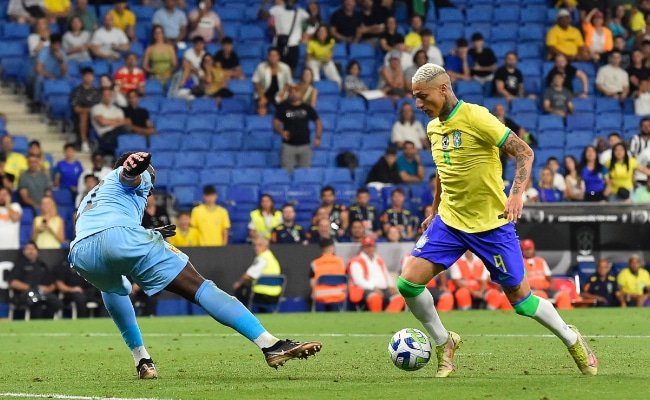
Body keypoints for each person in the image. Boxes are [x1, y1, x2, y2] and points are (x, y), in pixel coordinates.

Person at [400, 63, 596, 378]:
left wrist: (516, 195)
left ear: (444, 89)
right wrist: (434, 210)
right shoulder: (434, 127)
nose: (418, 104)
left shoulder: (477, 117)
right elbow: (442, 170)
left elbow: (524, 152)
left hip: (491, 225)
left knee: (522, 302)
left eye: (423, 96)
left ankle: (572, 338)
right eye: (415, 97)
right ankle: (443, 342)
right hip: (450, 222)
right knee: (408, 283)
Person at [69, 151, 320, 375]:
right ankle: (270, 344)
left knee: (114, 289)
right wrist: (134, 170)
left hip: (81, 253)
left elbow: (100, 229)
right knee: (201, 287)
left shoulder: (92, 195)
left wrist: (143, 232)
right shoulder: (135, 175)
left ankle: (142, 359)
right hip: (119, 237)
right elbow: (129, 178)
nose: (151, 185)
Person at [347, 236, 404, 312]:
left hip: (384, 289)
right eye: (367, 246)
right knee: (375, 298)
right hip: (367, 289)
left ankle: (388, 317)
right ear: (363, 248)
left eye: (371, 246)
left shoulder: (378, 260)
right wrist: (373, 287)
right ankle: (377, 317)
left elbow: (386, 274)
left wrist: (391, 286)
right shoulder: (356, 261)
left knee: (399, 298)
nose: (370, 248)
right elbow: (358, 281)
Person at [273, 85, 322, 173]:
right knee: (286, 173)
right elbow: (276, 123)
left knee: (304, 174)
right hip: (288, 146)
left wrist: (318, 137)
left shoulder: (307, 108)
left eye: (296, 91)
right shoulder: (283, 107)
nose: (294, 93)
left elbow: (318, 122)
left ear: (301, 94)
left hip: (305, 146)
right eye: (291, 92)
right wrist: (281, 132)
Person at [10, 241, 63, 319]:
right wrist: (31, 288)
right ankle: (35, 324)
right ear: (24, 251)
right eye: (28, 249)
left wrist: (48, 289)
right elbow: (13, 283)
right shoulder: (19, 265)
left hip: (42, 293)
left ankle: (48, 323)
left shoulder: (42, 265)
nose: (31, 251)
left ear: (37, 251)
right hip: (25, 294)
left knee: (55, 302)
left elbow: (53, 282)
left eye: (33, 249)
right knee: (36, 301)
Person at [233, 236, 283, 312]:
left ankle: (241, 314)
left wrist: (238, 284)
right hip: (276, 296)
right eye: (255, 245)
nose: (256, 248)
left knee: (240, 288)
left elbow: (248, 275)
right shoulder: (272, 258)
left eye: (260, 245)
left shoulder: (262, 259)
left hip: (261, 296)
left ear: (266, 246)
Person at [521, 239, 572, 309]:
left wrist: (551, 286)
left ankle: (564, 315)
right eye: (526, 249)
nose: (528, 251)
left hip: (546, 289)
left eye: (530, 249)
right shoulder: (520, 263)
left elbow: (549, 277)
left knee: (564, 295)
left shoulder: (541, 261)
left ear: (533, 249)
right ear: (522, 250)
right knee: (541, 295)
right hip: (532, 291)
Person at [269, 0, 308, 71]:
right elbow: (263, 15)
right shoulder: (276, 10)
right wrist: (265, 3)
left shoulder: (301, 12)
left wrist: (304, 35)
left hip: (293, 44)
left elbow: (310, 24)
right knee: (277, 68)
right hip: (278, 43)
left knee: (292, 68)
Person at [310, 238, 347, 310]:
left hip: (320, 295)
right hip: (338, 295)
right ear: (332, 247)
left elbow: (312, 282)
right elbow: (345, 279)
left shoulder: (315, 263)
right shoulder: (340, 262)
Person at [253, 47, 293, 113]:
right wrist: (262, 97)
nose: (272, 58)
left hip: (279, 93)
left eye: (275, 56)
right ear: (268, 57)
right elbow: (256, 82)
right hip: (264, 93)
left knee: (286, 112)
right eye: (271, 55)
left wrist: (282, 94)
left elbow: (288, 83)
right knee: (261, 110)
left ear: (278, 57)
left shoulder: (285, 68)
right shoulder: (261, 67)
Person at [69, 67, 100, 153]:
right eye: (86, 76)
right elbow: (76, 108)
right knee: (84, 114)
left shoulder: (97, 92)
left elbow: (100, 106)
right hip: (79, 116)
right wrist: (89, 110)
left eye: (90, 75)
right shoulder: (77, 91)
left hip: (96, 114)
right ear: (82, 77)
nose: (88, 78)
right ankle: (84, 142)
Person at [91, 87, 129, 154]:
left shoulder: (118, 110)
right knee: (125, 129)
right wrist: (117, 121)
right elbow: (102, 122)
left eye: (109, 95)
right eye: (105, 95)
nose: (107, 97)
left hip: (118, 133)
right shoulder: (96, 108)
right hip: (105, 136)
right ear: (101, 96)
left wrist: (108, 120)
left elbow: (125, 122)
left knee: (128, 130)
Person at [33, 33, 68, 103]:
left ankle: (63, 101)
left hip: (58, 75)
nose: (57, 47)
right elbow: (38, 68)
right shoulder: (44, 51)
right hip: (45, 75)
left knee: (67, 78)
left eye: (58, 44)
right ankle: (36, 101)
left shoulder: (62, 52)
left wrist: (60, 60)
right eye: (55, 44)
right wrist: (49, 76)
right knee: (39, 78)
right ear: (51, 44)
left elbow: (64, 72)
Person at [306, 25, 342, 89]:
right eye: (320, 31)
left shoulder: (331, 41)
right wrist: (307, 68)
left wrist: (327, 59)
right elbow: (308, 57)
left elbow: (331, 53)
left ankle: (337, 90)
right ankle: (316, 90)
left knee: (337, 79)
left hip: (325, 60)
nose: (321, 33)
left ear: (327, 34)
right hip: (315, 60)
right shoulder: (311, 43)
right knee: (315, 77)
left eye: (323, 32)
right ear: (317, 33)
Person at [0, 186, 22, 250]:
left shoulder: (16, 206)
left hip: (12, 247)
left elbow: (15, 218)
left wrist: (8, 206)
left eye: (4, 195)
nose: (1, 197)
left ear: (9, 196)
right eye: (0, 194)